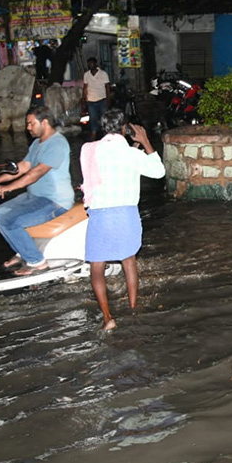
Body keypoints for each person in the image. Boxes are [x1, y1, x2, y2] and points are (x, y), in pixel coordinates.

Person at [80, 107, 166, 332]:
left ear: (103, 127)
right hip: (125, 214)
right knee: (129, 263)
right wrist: (145, 142)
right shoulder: (132, 154)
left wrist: (133, 148)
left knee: (96, 268)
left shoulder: (88, 149)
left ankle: (108, 317)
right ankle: (133, 306)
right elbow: (158, 172)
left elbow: (97, 173)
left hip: (99, 214)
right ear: (124, 128)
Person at [0, 104, 74, 276]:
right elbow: (22, 167)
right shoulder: (37, 143)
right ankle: (24, 252)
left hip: (54, 201)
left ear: (44, 122)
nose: (28, 127)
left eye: (31, 123)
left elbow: (35, 173)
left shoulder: (57, 143)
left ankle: (38, 262)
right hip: (34, 196)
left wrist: (8, 188)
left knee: (10, 221)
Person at [83, 57, 112, 139]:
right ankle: (94, 133)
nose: (90, 65)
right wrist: (84, 99)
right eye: (89, 64)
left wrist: (108, 99)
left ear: (96, 64)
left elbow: (107, 87)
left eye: (91, 63)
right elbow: (85, 87)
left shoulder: (103, 74)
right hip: (91, 100)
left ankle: (106, 133)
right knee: (93, 118)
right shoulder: (86, 75)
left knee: (104, 117)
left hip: (102, 99)